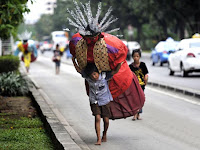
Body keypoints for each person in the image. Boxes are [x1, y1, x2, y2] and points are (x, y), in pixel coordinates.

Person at [68, 1, 145, 120]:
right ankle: (101, 129)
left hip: (105, 78)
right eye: (86, 38)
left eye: (92, 38)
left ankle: (103, 128)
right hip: (93, 83)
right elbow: (78, 65)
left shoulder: (111, 46)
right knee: (98, 112)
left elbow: (118, 63)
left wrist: (115, 69)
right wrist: (75, 62)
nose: (89, 41)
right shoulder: (77, 43)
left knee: (105, 105)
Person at [72, 59, 123, 145]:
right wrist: (74, 61)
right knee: (97, 118)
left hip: (105, 100)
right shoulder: (88, 77)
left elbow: (115, 71)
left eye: (95, 74)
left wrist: (119, 63)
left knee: (106, 120)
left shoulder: (104, 76)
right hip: (94, 100)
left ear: (98, 72)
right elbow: (79, 70)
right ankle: (98, 138)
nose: (93, 77)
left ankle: (104, 133)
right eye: (91, 75)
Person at [129, 49, 149, 121]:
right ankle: (134, 114)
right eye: (134, 56)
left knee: (140, 100)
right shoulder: (130, 66)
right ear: (132, 57)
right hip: (134, 85)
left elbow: (146, 75)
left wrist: (145, 82)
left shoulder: (143, 65)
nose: (136, 58)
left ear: (139, 57)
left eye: (137, 56)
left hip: (141, 85)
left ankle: (138, 114)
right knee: (134, 99)